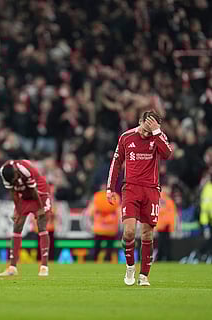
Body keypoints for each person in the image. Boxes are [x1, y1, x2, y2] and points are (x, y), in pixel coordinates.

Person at [107, 110, 172, 286]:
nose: (146, 133)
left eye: (150, 131)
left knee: (147, 234)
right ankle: (130, 266)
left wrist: (157, 132)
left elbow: (167, 154)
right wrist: (110, 188)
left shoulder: (158, 137)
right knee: (128, 232)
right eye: (144, 129)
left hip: (151, 190)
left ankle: (144, 276)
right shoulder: (126, 137)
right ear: (139, 121)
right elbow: (116, 162)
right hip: (131, 188)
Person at [0, 159, 52, 277]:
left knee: (41, 225)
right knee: (17, 226)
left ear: (16, 171)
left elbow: (33, 189)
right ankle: (12, 268)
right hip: (25, 195)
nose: (15, 181)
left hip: (39, 192)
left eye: (16, 178)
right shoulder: (3, 172)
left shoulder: (24, 169)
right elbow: (12, 191)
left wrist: (40, 208)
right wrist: (17, 209)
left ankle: (44, 267)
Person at [86, 184, 121, 263]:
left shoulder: (97, 197)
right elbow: (119, 213)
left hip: (99, 228)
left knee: (97, 248)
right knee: (109, 248)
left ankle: (94, 261)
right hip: (111, 229)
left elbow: (90, 212)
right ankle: (108, 261)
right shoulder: (116, 197)